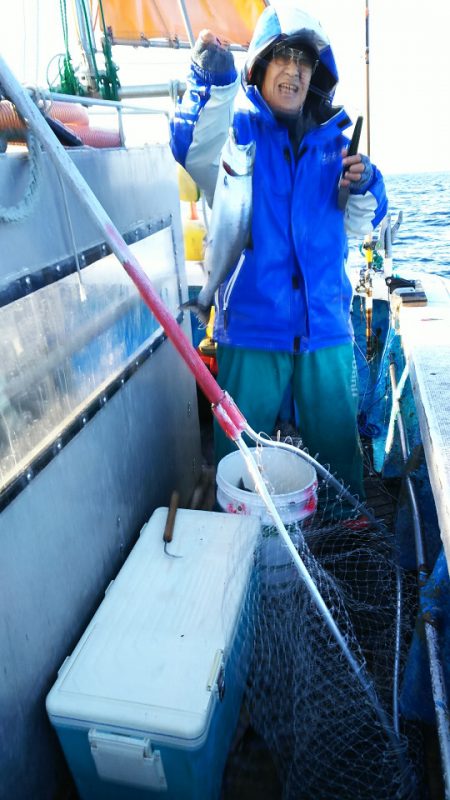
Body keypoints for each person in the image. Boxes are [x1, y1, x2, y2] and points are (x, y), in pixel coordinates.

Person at [170, 1, 388, 499]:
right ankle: (243, 547)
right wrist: (211, 79)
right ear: (261, 67)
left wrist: (366, 183)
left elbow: (364, 222)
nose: (293, 69)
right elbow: (189, 144)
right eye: (282, 56)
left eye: (304, 61)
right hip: (250, 329)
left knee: (337, 458)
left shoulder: (338, 145)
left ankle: (343, 537)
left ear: (316, 74)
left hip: (325, 331)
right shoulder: (235, 134)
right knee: (240, 462)